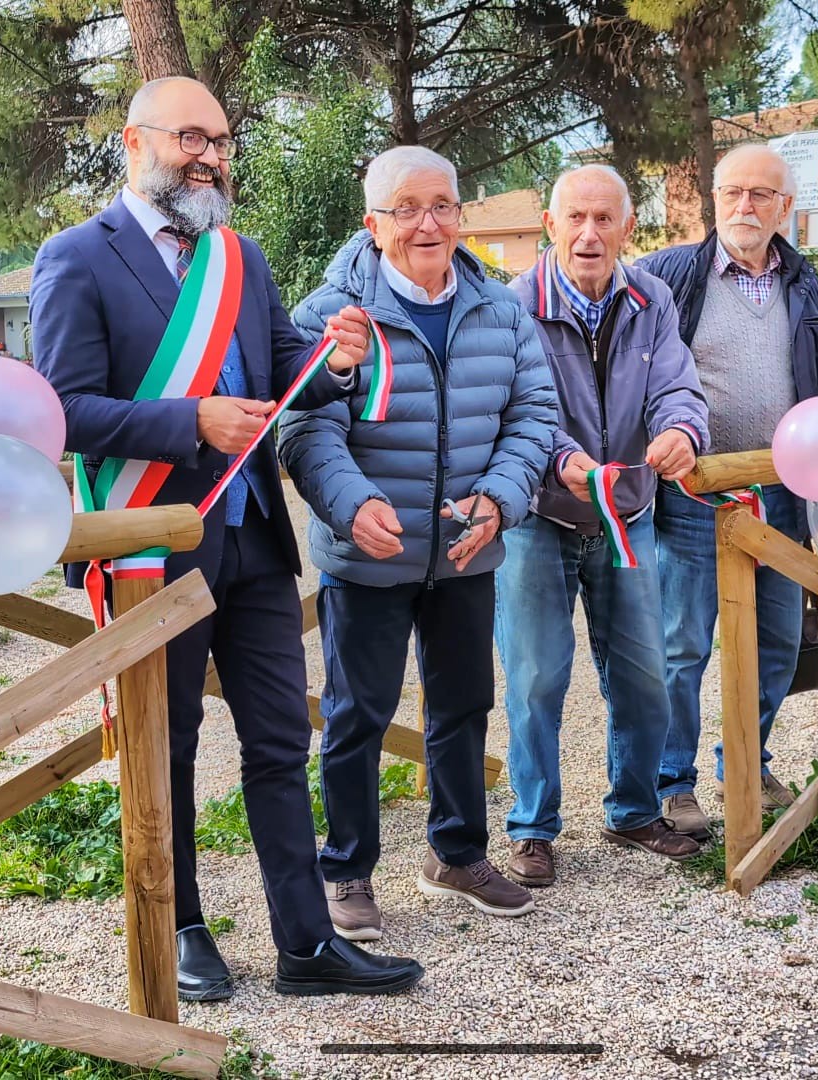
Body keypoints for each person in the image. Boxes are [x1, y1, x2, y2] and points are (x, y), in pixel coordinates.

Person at [29, 76, 422, 1000]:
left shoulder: (237, 256)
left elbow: (281, 366)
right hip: (151, 544)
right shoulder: (76, 256)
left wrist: (334, 361)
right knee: (165, 744)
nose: (208, 156)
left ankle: (306, 942)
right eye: (189, 138)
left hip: (252, 539)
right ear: (134, 143)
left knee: (280, 740)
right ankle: (180, 928)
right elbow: (63, 408)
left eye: (219, 140)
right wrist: (190, 421)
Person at [281, 145, 557, 938]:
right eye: (405, 209)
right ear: (373, 223)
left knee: (464, 705)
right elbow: (304, 426)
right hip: (369, 553)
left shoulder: (501, 309)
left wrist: (499, 498)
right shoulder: (328, 314)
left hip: (465, 551)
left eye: (441, 206)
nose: (426, 224)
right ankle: (346, 869)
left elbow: (533, 414)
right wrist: (351, 504)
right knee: (357, 714)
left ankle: (457, 854)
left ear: (461, 216)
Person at [498, 165, 708, 886]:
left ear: (627, 227)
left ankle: (634, 810)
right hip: (539, 517)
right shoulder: (513, 306)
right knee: (535, 677)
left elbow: (676, 384)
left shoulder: (652, 298)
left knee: (645, 674)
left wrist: (681, 429)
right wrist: (560, 458)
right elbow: (516, 405)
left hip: (630, 514)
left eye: (604, 219)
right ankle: (532, 826)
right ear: (550, 227)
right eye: (575, 218)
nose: (589, 234)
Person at [637, 144, 818, 838]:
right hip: (695, 491)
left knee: (778, 640)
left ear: (785, 207)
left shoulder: (806, 284)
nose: (744, 206)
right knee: (682, 644)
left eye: (760, 194)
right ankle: (672, 782)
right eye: (732, 192)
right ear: (714, 200)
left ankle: (744, 762)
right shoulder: (668, 275)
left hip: (782, 491)